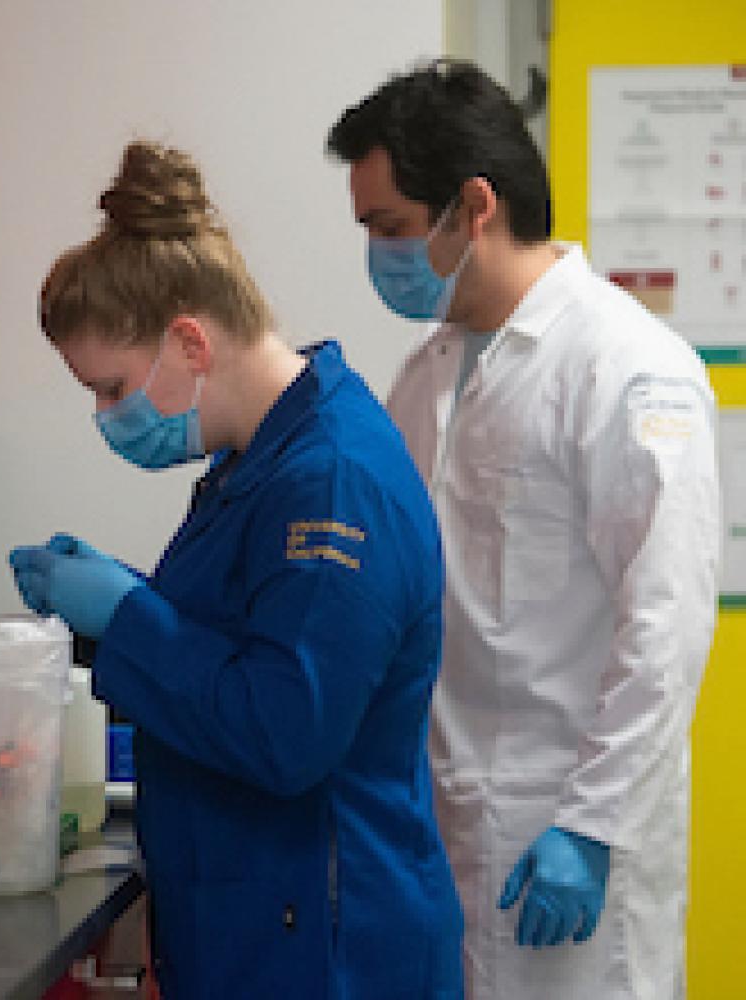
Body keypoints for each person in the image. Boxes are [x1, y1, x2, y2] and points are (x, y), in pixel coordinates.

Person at [7, 140, 463, 999]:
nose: (106, 418)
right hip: (263, 918)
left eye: (111, 388)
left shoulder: (331, 485)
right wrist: (125, 602)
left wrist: (128, 618)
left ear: (188, 340)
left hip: (329, 947)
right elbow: (251, 634)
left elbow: (285, 732)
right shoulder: (262, 460)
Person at [327, 59, 720, 1000]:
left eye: (391, 228)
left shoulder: (626, 366)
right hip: (444, 816)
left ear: (474, 207)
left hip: (568, 829)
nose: (377, 254)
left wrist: (591, 825)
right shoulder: (427, 374)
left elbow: (666, 621)